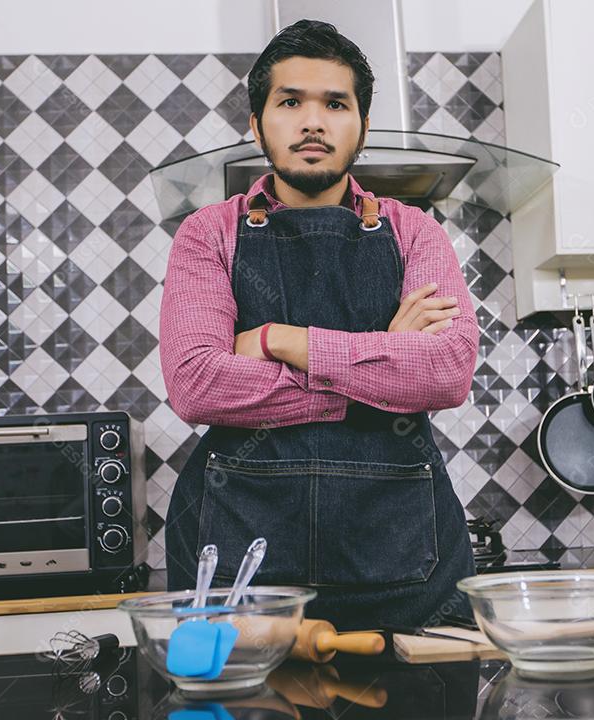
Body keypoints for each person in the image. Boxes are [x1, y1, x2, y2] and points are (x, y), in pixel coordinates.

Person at [158, 19, 478, 630]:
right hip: (239, 572)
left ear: (360, 126)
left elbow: (446, 373)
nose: (312, 121)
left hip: (407, 566)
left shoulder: (416, 231)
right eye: (289, 102)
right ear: (257, 124)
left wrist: (281, 341)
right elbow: (197, 385)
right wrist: (382, 361)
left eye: (335, 103)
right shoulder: (208, 234)